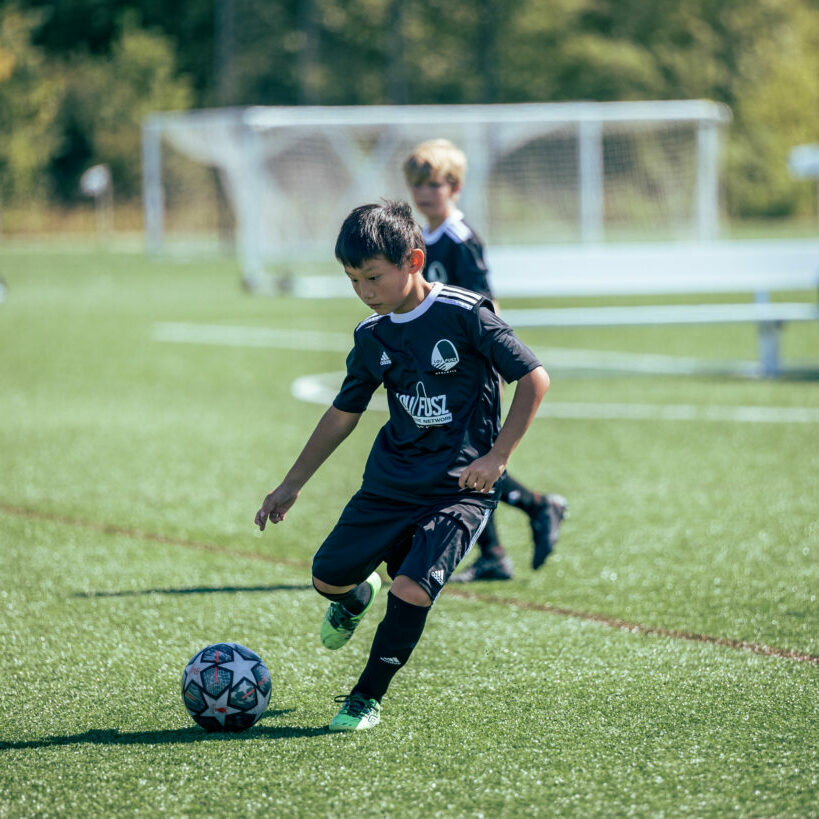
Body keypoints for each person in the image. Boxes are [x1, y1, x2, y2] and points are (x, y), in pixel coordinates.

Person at [255, 200, 550, 732]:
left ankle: (365, 697)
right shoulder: (373, 336)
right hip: (390, 484)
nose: (365, 292)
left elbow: (534, 380)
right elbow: (344, 412)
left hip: (459, 489)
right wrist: (290, 484)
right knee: (326, 577)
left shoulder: (466, 314)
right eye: (353, 281)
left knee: (412, 589)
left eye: (373, 277)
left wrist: (497, 456)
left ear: (414, 261)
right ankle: (353, 597)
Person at [403, 138, 567, 582]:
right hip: (442, 370)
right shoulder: (421, 239)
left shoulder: (459, 239)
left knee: (463, 461)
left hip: (469, 371)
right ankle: (500, 545)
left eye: (431, 184)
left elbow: (483, 306)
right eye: (414, 185)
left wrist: (484, 361)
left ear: (454, 187)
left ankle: (530, 514)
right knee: (457, 461)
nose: (421, 194)